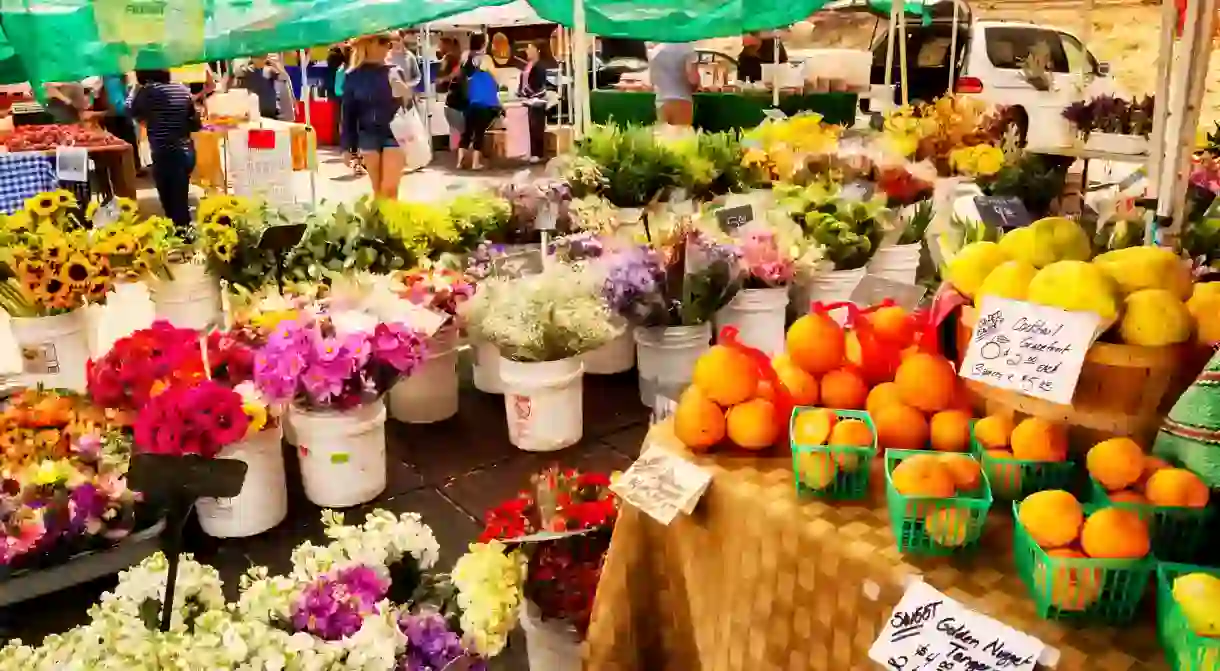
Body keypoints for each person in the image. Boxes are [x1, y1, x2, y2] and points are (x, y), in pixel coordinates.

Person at [341, 33, 413, 199]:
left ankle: (394, 223)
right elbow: (348, 114)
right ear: (368, 44)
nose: (388, 46)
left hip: (395, 133)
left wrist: (405, 93)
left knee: (389, 188)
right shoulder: (353, 76)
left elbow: (409, 107)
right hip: (368, 135)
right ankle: (381, 223)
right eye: (383, 42)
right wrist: (347, 148)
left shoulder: (395, 71)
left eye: (389, 42)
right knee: (378, 190)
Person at [127, 69, 199, 233]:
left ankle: (183, 238)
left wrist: (134, 89)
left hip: (165, 152)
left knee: (171, 204)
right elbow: (194, 122)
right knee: (180, 198)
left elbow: (129, 109)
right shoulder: (181, 89)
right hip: (186, 150)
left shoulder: (148, 91)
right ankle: (184, 236)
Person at [456, 33, 502, 171]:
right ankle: (476, 163)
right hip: (485, 101)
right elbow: (496, 76)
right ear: (483, 43)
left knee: (467, 132)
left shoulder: (466, 57)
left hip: (471, 100)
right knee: (479, 132)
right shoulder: (485, 59)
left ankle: (459, 161)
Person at [232, 54, 296, 121]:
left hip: (274, 123)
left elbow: (287, 117)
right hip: (247, 121)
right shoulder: (242, 71)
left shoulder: (277, 75)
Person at [648, 42, 699, 126]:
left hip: (661, 101)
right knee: (681, 136)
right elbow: (693, 79)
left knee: (664, 136)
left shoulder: (655, 51)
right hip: (682, 100)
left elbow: (652, 80)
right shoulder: (687, 48)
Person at [518, 42, 548, 164]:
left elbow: (539, 85)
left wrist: (529, 92)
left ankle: (538, 153)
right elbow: (523, 81)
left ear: (537, 51)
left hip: (537, 100)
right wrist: (521, 92)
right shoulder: (527, 66)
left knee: (537, 126)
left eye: (530, 49)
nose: (527, 51)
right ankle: (529, 151)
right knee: (528, 127)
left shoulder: (540, 67)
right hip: (527, 100)